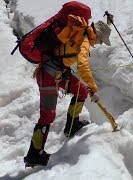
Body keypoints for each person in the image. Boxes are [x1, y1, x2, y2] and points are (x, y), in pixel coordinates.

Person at [23, 12, 113, 166]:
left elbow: (98, 30)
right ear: (97, 35)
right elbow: (83, 65)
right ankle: (34, 155)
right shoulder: (85, 40)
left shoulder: (84, 31)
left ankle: (72, 127)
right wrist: (93, 88)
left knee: (81, 91)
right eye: (101, 41)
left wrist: (108, 23)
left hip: (59, 72)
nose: (99, 44)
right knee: (47, 116)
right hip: (48, 76)